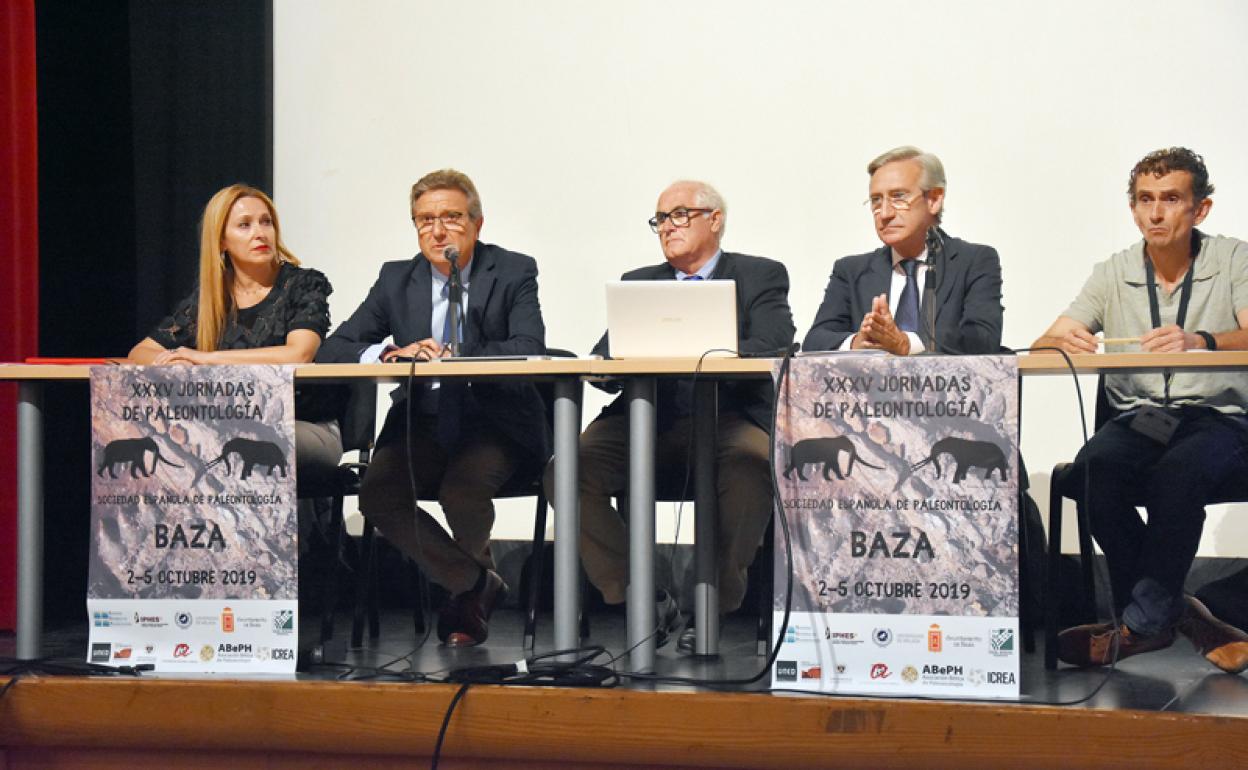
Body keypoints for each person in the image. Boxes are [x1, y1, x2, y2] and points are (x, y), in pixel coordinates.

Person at [552, 179, 795, 652]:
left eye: (680, 214)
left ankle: (712, 608)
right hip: (648, 418)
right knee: (567, 469)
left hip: (730, 417)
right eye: (660, 219)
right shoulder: (641, 282)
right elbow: (607, 353)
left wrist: (698, 345)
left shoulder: (761, 275)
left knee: (752, 464)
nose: (668, 227)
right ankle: (643, 596)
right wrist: (605, 367)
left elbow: (774, 344)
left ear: (715, 221)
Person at [1034, 147, 1248, 674]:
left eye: (1170, 199)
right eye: (1145, 201)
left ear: (1200, 210)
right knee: (1089, 475)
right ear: (1133, 209)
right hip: (1143, 418)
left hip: (1217, 417)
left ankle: (1141, 625)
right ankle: (1173, 616)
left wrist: (1201, 340)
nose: (1155, 213)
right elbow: (1045, 341)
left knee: (1178, 474)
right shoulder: (1114, 271)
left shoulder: (1232, 259)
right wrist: (1071, 340)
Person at [317, 169, 548, 647]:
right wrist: (386, 353)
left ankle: (467, 604)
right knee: (378, 494)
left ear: (477, 224)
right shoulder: (395, 278)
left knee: (462, 489)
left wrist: (454, 355)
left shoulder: (512, 270)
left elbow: (528, 346)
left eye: (451, 218)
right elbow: (335, 346)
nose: (437, 231)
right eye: (424, 220)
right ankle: (474, 583)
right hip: (421, 420)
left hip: (493, 422)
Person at [128, 183, 344, 490]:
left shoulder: (303, 284)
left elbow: (298, 353)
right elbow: (140, 353)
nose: (260, 233)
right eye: (245, 225)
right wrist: (176, 362)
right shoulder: (209, 300)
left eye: (266, 222)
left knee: (225, 444)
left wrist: (205, 359)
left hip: (306, 425)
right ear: (221, 242)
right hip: (230, 425)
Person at [803, 146, 1003, 355]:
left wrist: (906, 343)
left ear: (934, 200)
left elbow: (982, 338)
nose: (885, 213)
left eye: (899, 197)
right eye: (876, 201)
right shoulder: (852, 271)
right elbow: (816, 340)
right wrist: (858, 342)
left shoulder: (973, 262)